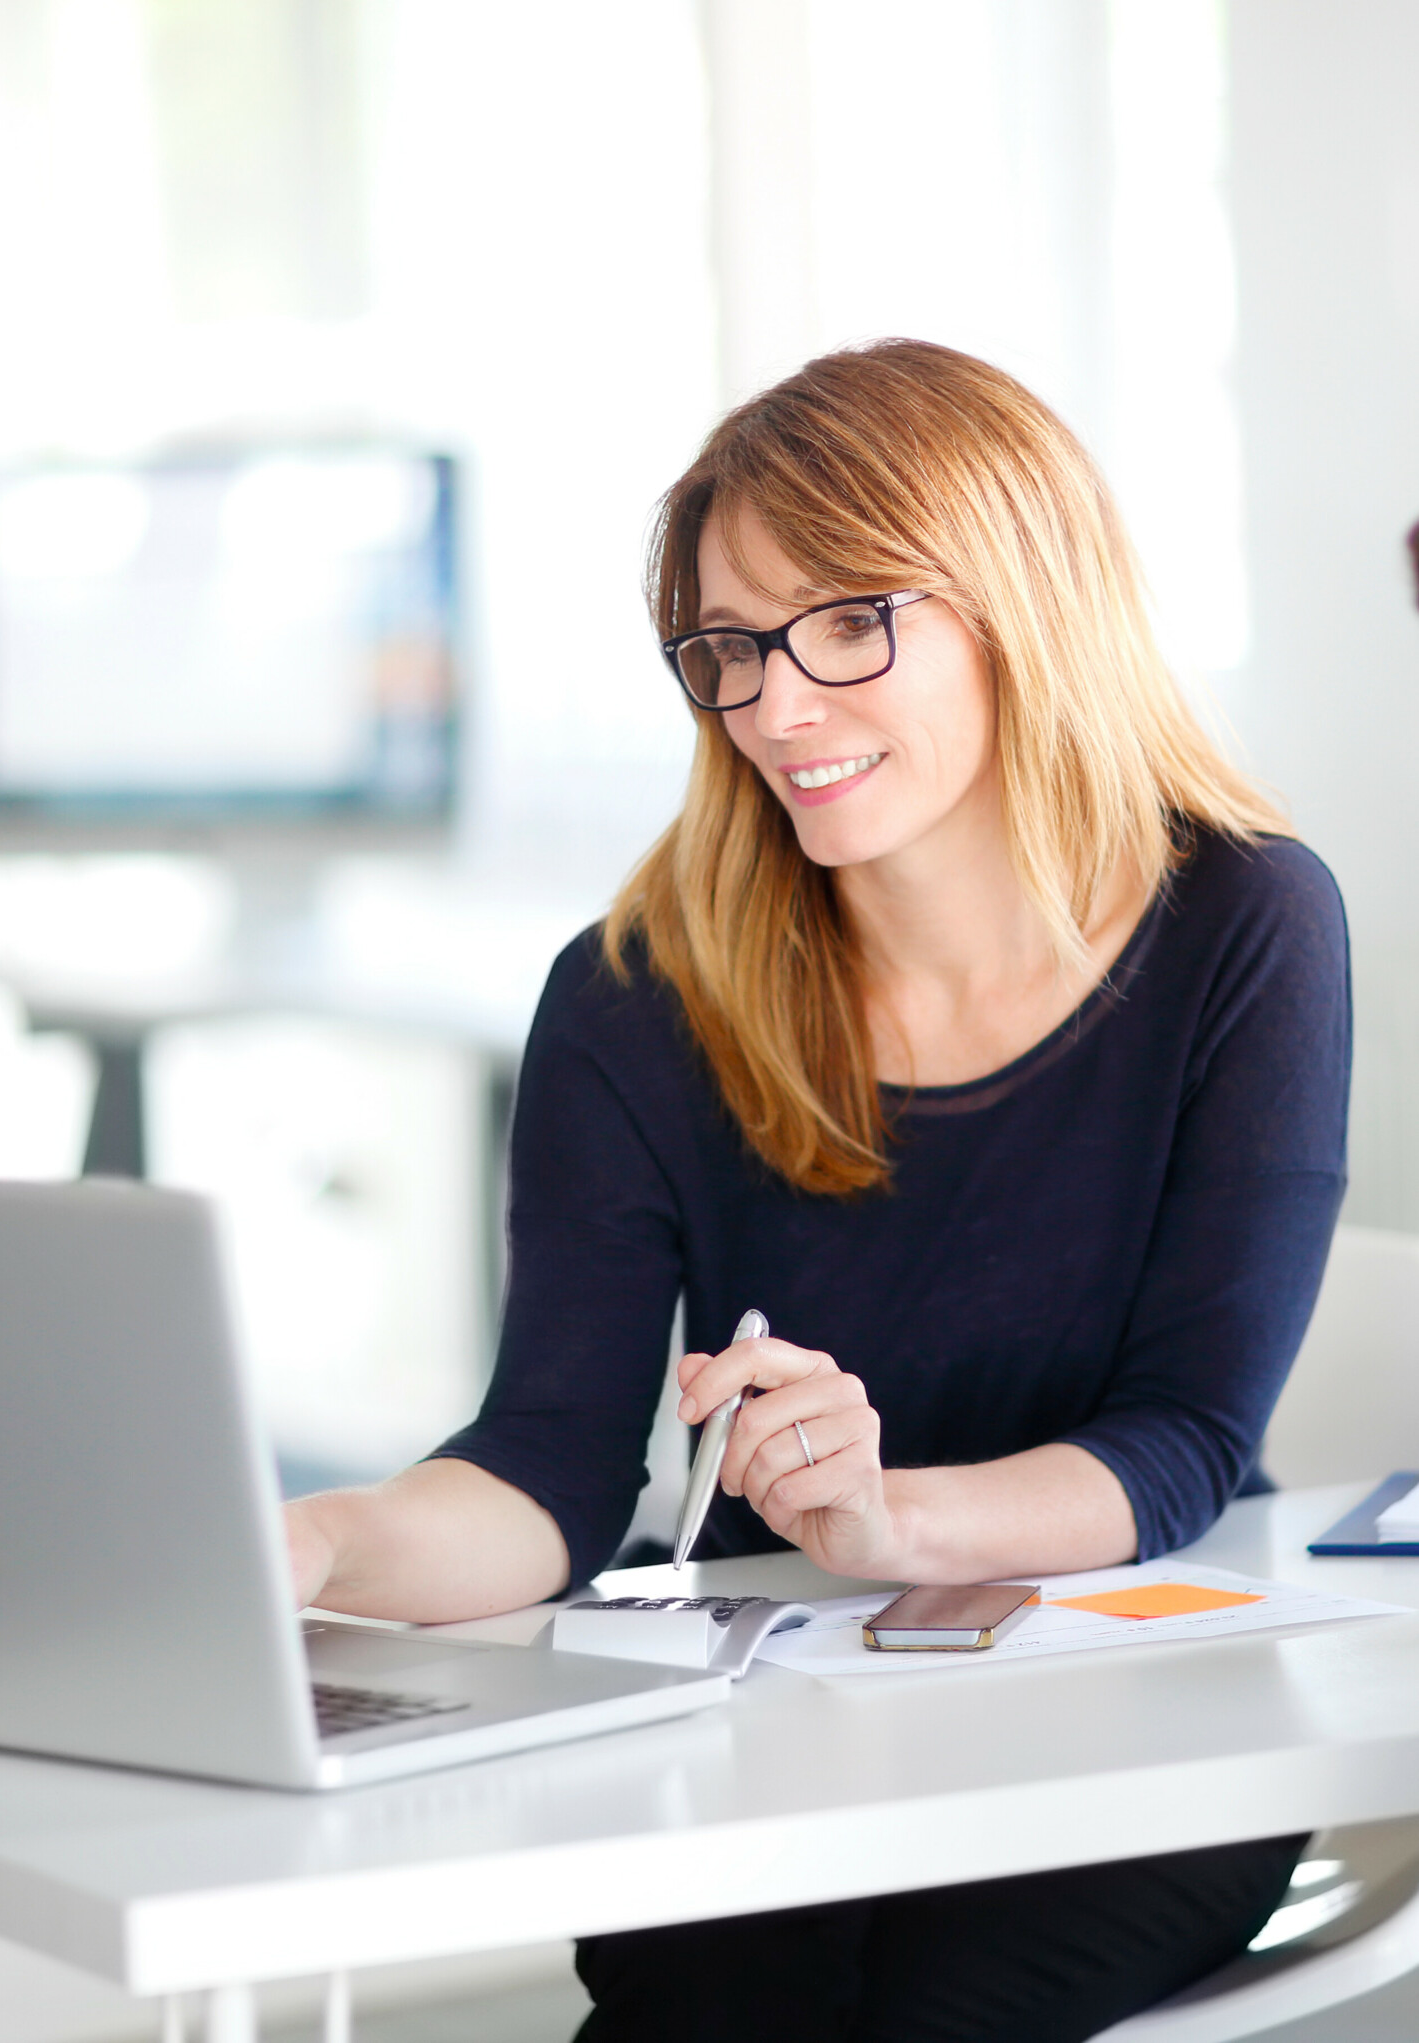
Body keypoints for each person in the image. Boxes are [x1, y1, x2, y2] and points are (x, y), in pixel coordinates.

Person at [283, 340, 1350, 2042]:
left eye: (848, 625)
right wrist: (315, 1538)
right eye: (728, 648)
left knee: (938, 2010)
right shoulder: (636, 994)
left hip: (1134, 1721)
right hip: (761, 1726)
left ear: (1021, 599)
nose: (776, 706)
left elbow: (1182, 1440)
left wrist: (886, 1518)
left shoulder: (1243, 924)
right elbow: (549, 1472)